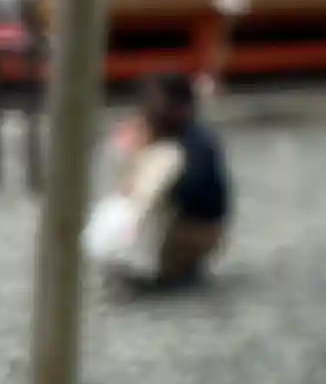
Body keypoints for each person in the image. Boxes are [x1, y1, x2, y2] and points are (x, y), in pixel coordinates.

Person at [83, 74, 231, 290]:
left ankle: (163, 265)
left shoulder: (191, 146)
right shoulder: (169, 139)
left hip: (191, 226)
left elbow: (183, 193)